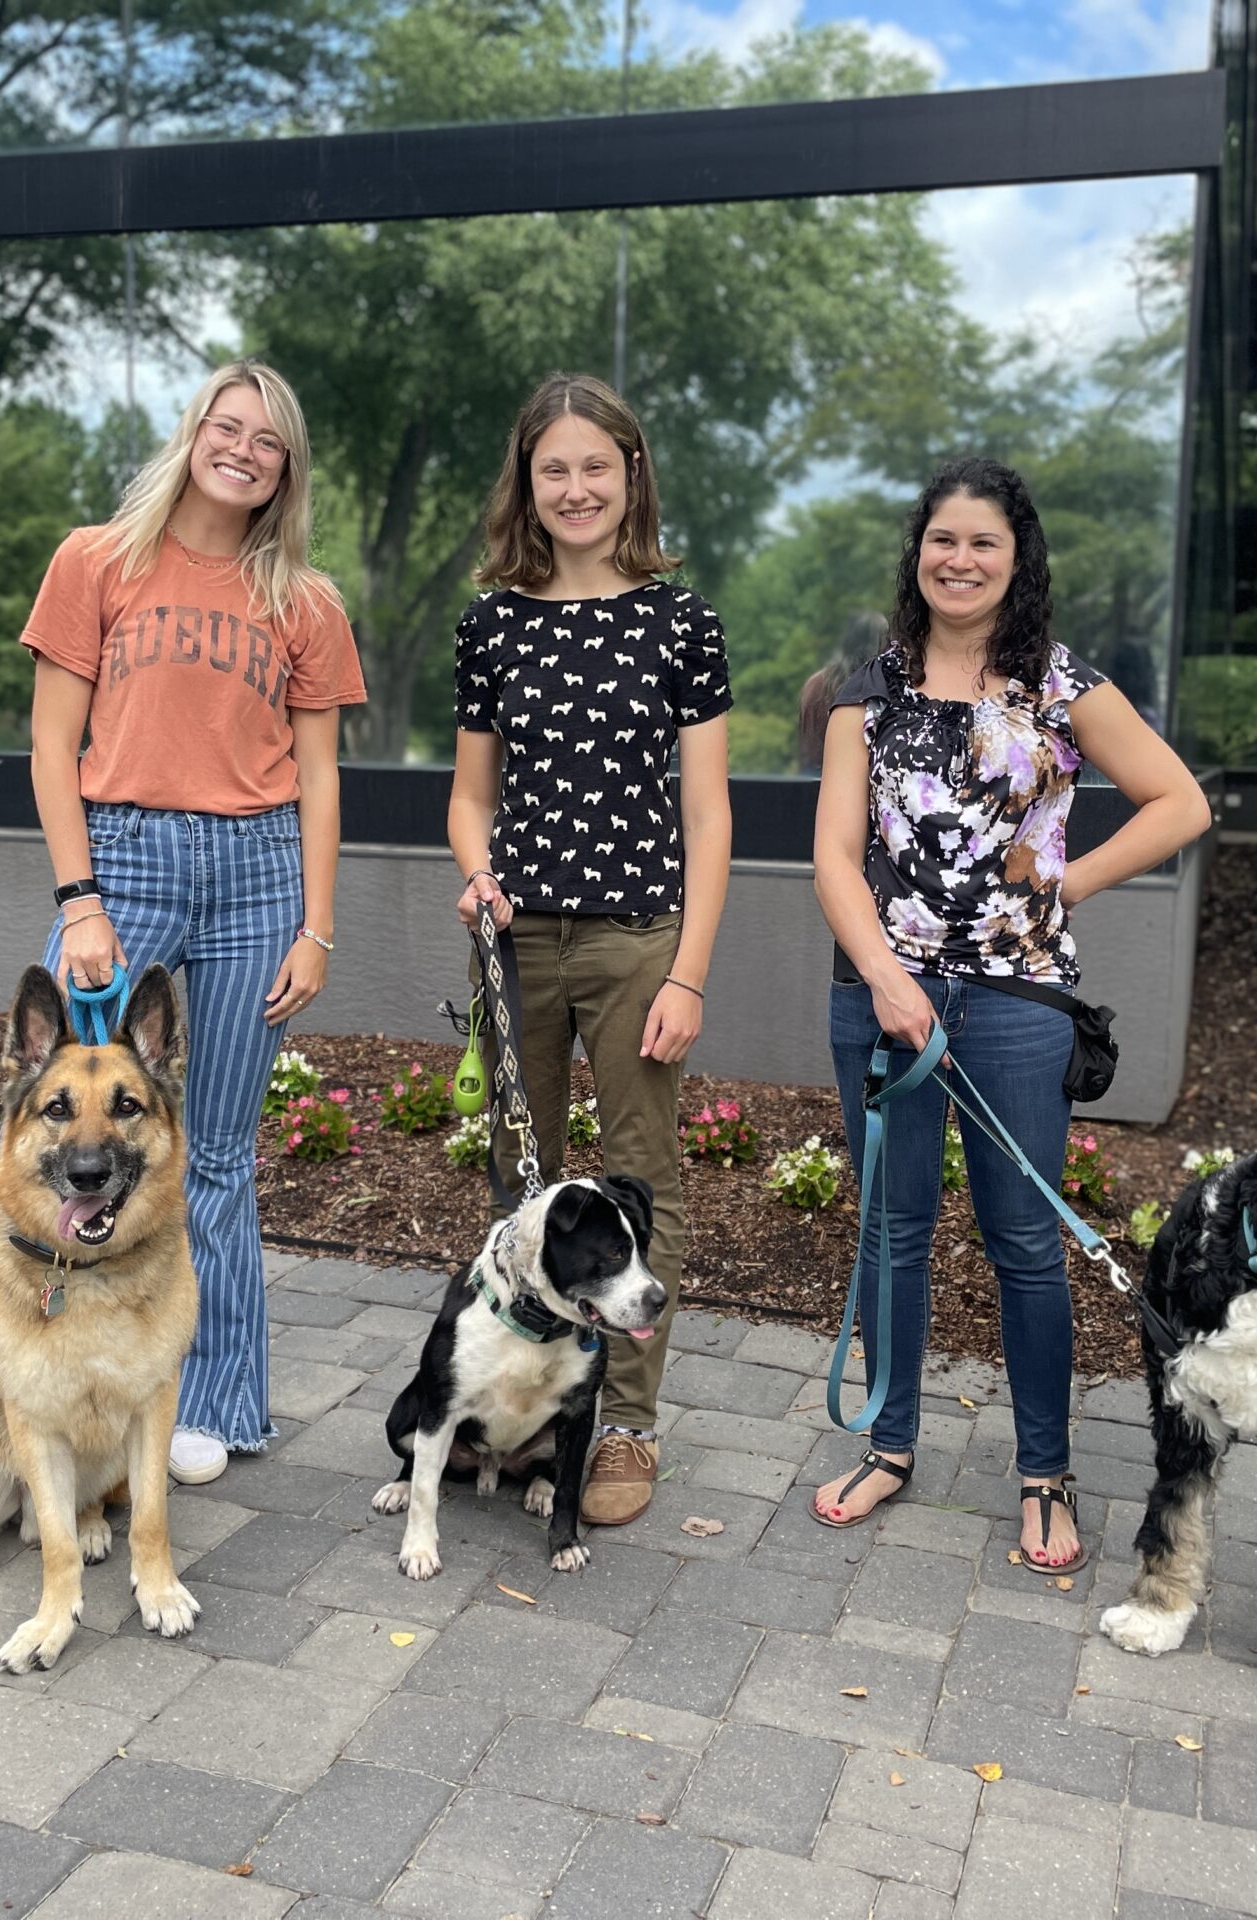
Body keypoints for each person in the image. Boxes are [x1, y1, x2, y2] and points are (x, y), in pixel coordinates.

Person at [0, 361, 365, 1492]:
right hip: (128, 857)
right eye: (228, 427)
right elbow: (53, 744)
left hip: (260, 870)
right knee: (43, 1147)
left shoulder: (304, 600)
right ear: (194, 433)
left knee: (211, 1156)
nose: (244, 451)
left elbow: (318, 772)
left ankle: (211, 1400)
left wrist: (318, 927)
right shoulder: (96, 560)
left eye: (269, 441)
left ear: (286, 469)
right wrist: (81, 900)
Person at [808, 455, 1209, 1571]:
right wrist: (885, 980)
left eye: (984, 542)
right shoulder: (866, 692)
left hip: (1017, 1006)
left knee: (1026, 1245)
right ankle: (888, 1447)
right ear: (917, 552)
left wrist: (1067, 883)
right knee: (891, 1235)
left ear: (1016, 559)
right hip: (879, 1005)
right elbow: (835, 860)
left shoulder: (1060, 685)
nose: (960, 559)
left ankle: (1045, 1474)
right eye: (943, 539)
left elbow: (1180, 801)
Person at [448, 372, 732, 1528]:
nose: (574, 488)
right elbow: (470, 800)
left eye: (595, 468)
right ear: (528, 481)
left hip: (634, 943)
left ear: (630, 477)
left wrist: (689, 971)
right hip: (519, 943)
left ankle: (624, 1425)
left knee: (638, 1175)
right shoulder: (490, 622)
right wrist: (476, 867)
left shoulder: (681, 619)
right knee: (521, 1184)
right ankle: (528, 1403)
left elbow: (710, 815)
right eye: (552, 468)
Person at [797, 612, 888, 773]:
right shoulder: (877, 690)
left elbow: (805, 745)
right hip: (854, 782)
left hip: (811, 779)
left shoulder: (815, 684)